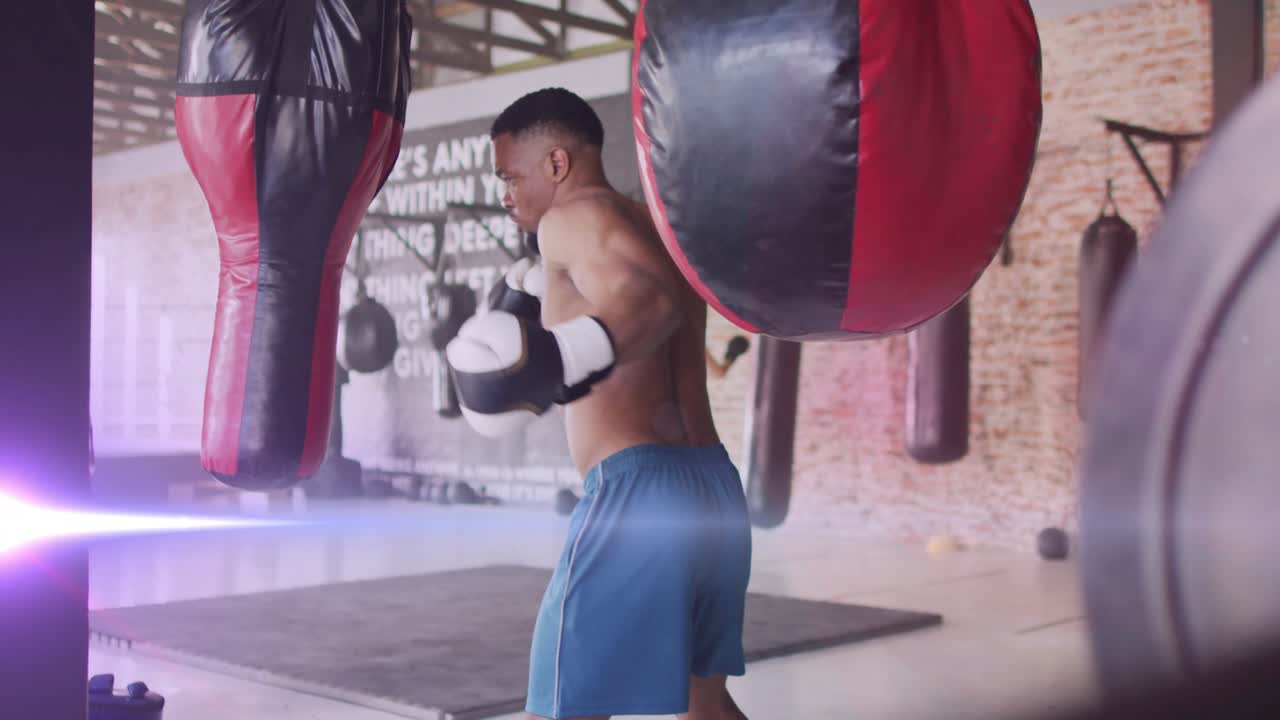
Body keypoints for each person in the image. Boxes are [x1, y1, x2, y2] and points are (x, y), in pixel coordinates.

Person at [445, 88, 752, 720]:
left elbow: (651, 300)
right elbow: (657, 292)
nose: (506, 194)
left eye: (511, 175)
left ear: (556, 164)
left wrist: (559, 363)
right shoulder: (653, 225)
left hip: (638, 495)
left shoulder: (569, 219)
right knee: (707, 705)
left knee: (563, 709)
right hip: (714, 488)